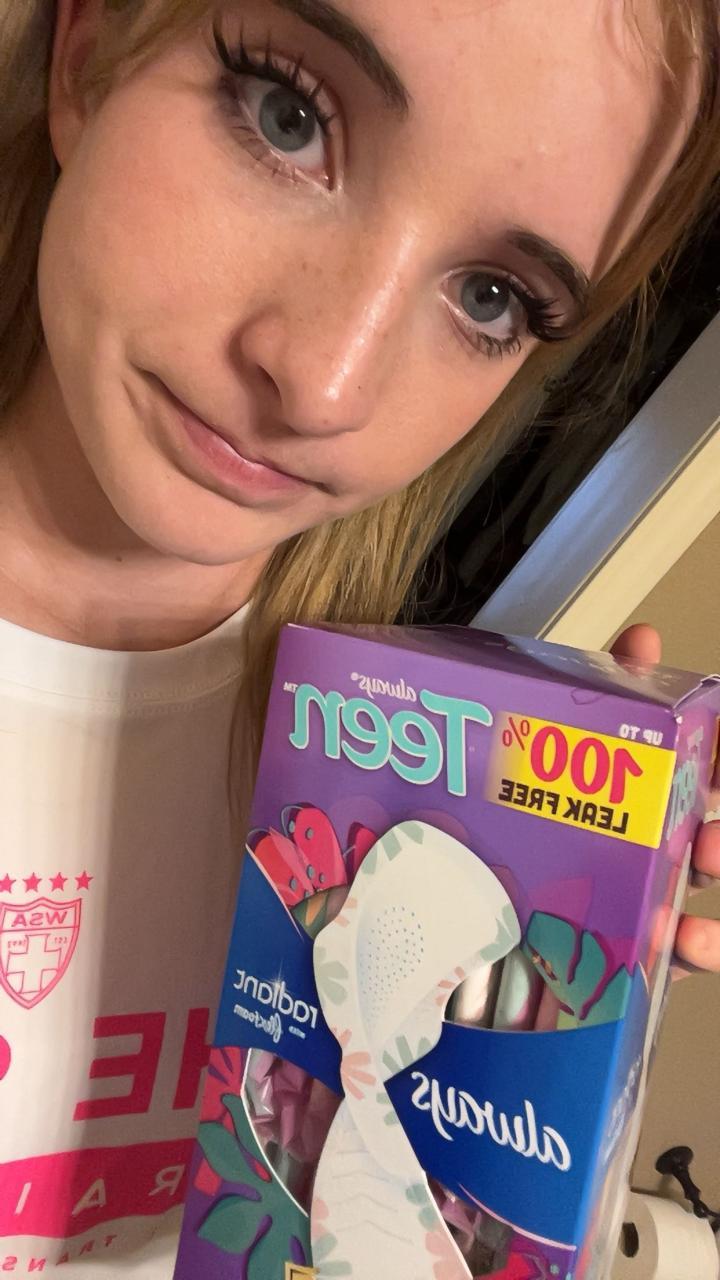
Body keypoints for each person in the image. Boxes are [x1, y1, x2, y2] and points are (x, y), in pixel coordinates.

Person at [0, 0, 718, 1274]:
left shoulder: (388, 805)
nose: (325, 383)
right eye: (289, 116)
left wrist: (562, 1046)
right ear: (91, 48)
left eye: (493, 296)